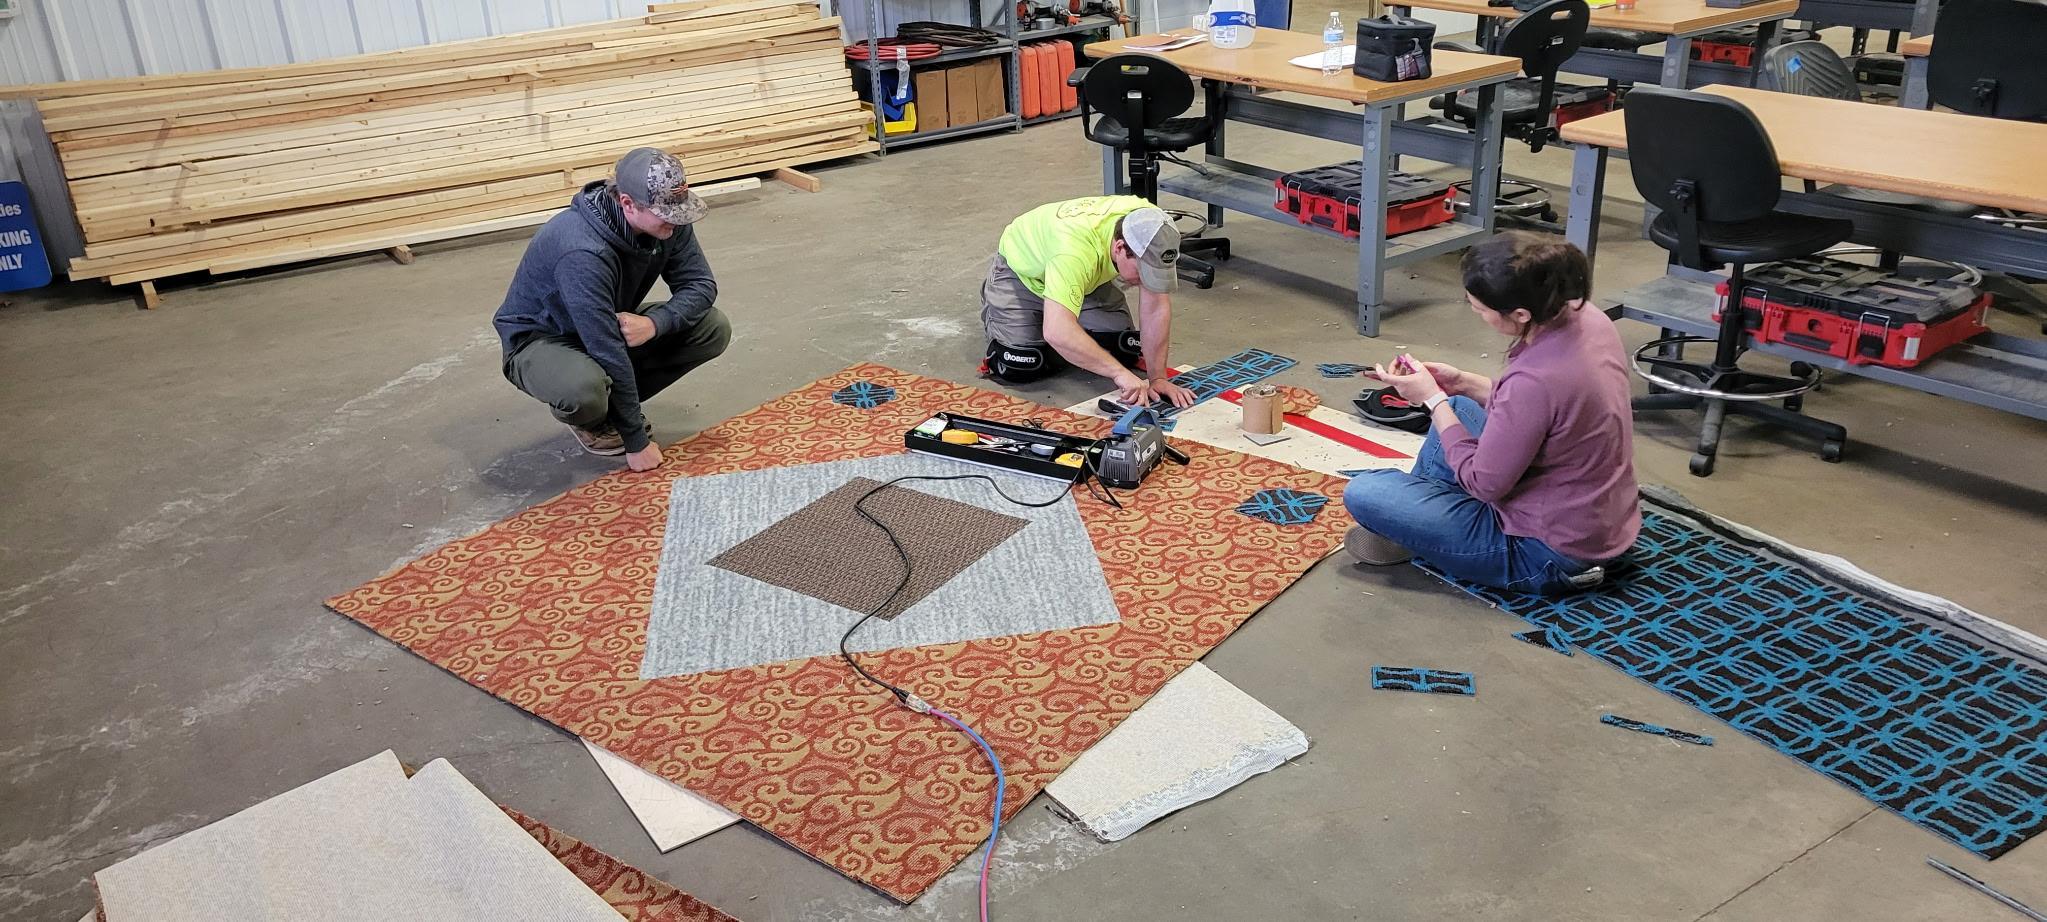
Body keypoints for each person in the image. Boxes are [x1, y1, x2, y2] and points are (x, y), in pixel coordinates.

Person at [1343, 232, 1640, 594]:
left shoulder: (1533, 381)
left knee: (1365, 492)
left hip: (1546, 553)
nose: (1475, 312)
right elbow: (1544, 409)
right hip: (1599, 520)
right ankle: (1427, 524)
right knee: (1460, 407)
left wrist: (1431, 400)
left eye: (1479, 308)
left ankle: (1424, 532)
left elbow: (1484, 484)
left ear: (1519, 314)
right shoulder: (1586, 317)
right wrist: (1461, 382)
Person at [492, 147, 732, 471]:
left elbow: (701, 285)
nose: (676, 221)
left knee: (711, 328)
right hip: (542, 340)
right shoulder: (582, 249)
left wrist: (655, 324)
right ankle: (589, 418)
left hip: (606, 323)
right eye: (666, 213)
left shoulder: (669, 220)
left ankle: (611, 405)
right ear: (628, 204)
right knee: (583, 390)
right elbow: (605, 347)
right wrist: (636, 442)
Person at [979, 196, 1198, 409]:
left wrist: (1158, 377)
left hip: (1083, 278)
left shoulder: (1150, 226)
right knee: (1022, 363)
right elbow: (1056, 332)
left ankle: (1062, 312)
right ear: (1120, 248)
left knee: (1123, 349)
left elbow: (1156, 307)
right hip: (1023, 275)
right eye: (1143, 273)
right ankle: (1015, 308)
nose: (1145, 281)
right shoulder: (1074, 251)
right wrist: (1119, 374)